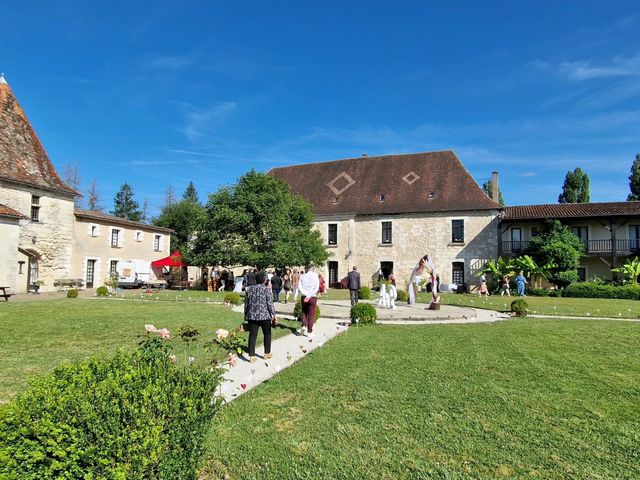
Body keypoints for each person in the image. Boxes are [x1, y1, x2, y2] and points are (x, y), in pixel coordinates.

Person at [244, 271, 277, 363]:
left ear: (255, 280)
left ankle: (251, 356)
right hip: (265, 316)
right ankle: (266, 353)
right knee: (267, 334)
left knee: (252, 335)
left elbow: (246, 303)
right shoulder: (267, 289)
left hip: (252, 316)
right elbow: (270, 304)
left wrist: (245, 315)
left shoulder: (249, 289)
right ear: (264, 280)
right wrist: (274, 314)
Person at [298, 265, 319, 338]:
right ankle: (309, 331)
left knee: (304, 312)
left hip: (304, 296)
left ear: (307, 269)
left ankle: (304, 325)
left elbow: (299, 287)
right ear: (313, 269)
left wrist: (305, 294)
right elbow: (316, 288)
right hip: (312, 296)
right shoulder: (316, 276)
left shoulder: (302, 276)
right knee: (311, 314)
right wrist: (309, 295)